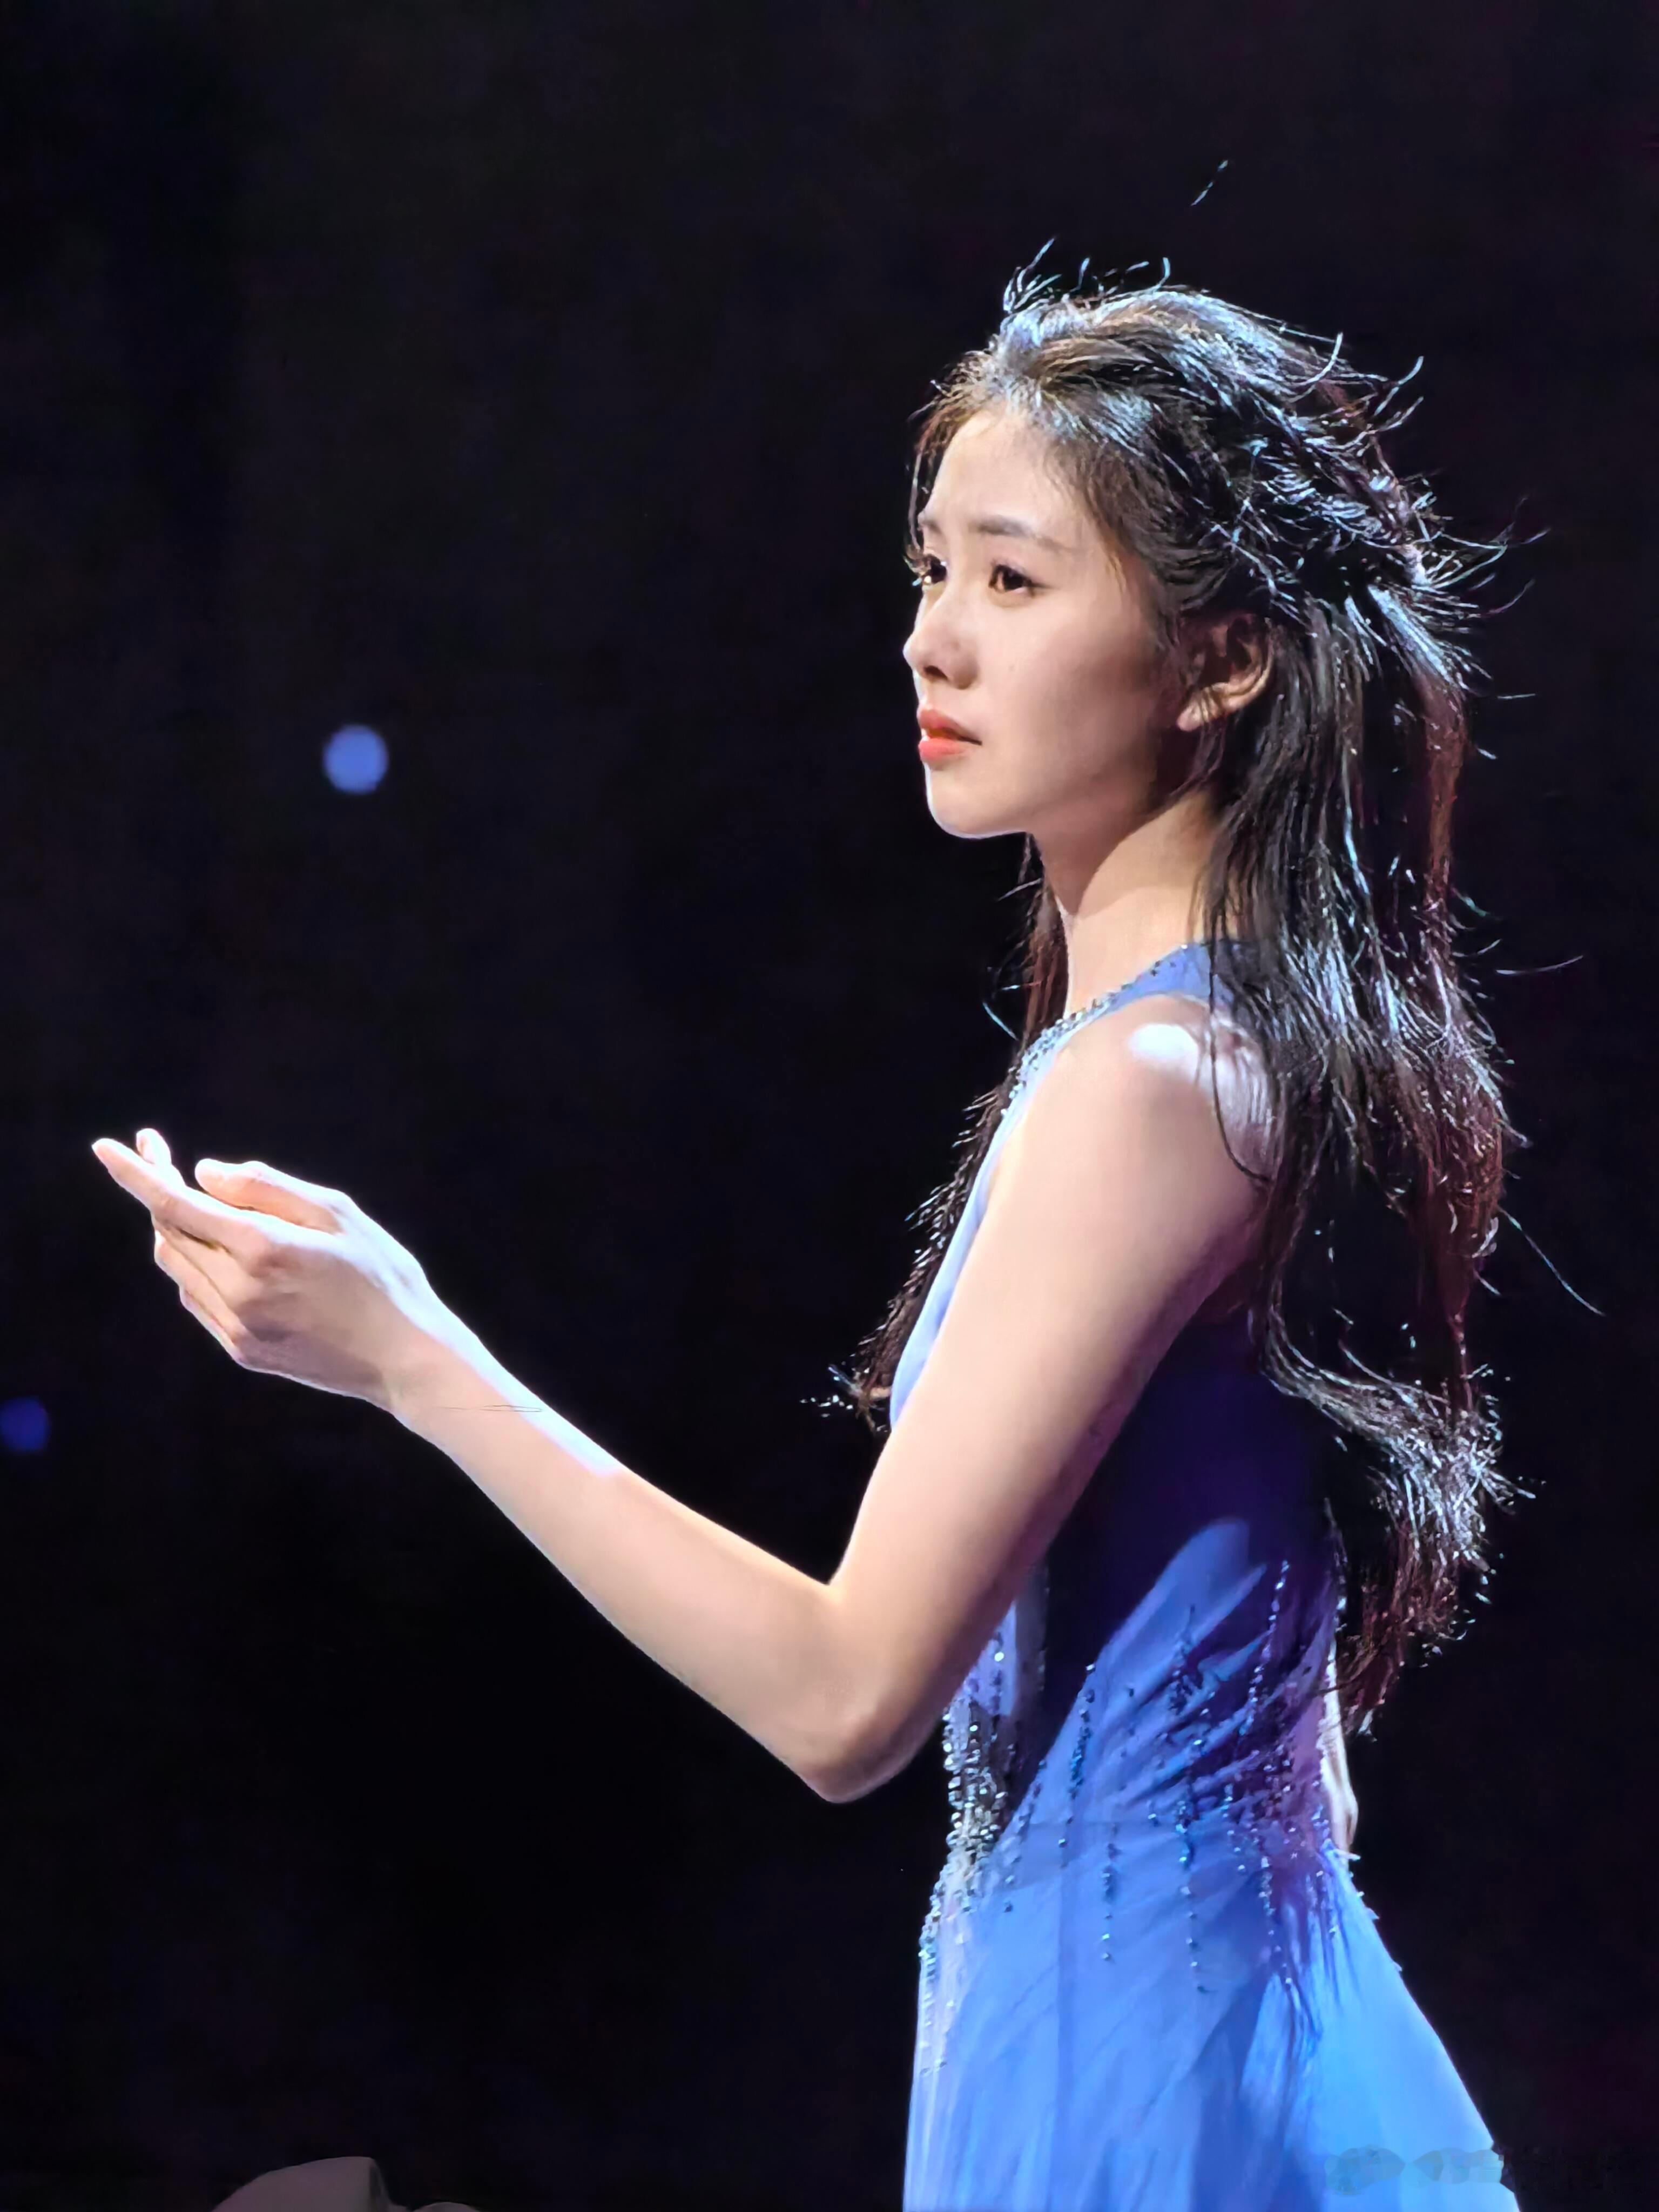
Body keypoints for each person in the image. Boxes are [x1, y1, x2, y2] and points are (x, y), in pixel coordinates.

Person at [93, 271, 1521, 2211]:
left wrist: (412, 1359)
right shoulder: (1213, 1052)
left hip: (1135, 2066)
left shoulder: (1157, 1083)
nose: (934, 636)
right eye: (934, 570)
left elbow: (848, 1701)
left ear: (1222, 662)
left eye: (1014, 580)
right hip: (1176, 2019)